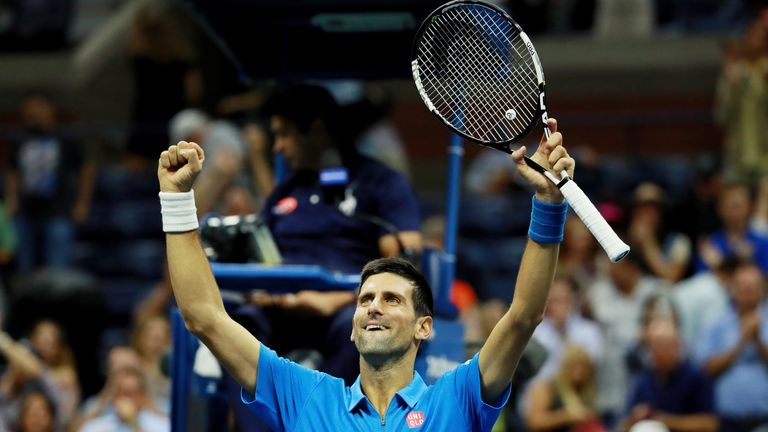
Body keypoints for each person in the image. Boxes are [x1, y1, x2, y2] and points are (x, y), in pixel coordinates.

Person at [156, 115, 573, 430]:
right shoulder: (306, 396)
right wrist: (176, 201)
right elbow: (203, 316)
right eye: (365, 299)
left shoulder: (457, 397)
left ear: (423, 327)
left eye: (391, 299)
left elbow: (523, 316)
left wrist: (549, 202)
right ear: (352, 327)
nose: (373, 307)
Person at [5, 93, 95, 273]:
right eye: (28, 109)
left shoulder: (67, 138)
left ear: (49, 109)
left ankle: (57, 300)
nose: (32, 113)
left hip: (58, 211)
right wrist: (12, 198)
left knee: (58, 267)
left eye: (36, 107)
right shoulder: (19, 138)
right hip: (26, 211)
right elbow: (13, 172)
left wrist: (82, 203)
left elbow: (86, 170)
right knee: (25, 266)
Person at [695, 261, 768, 432]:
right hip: (726, 420)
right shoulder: (716, 322)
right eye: (743, 287)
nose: (748, 293)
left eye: (752, 287)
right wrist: (741, 342)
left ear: (763, 290)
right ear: (732, 289)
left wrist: (757, 341)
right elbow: (707, 369)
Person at [621, 318, 718, 432]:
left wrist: (667, 421)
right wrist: (635, 418)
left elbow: (709, 424)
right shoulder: (645, 379)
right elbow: (623, 425)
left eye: (665, 346)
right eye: (655, 346)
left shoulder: (696, 378)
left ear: (678, 346)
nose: (660, 352)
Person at [525, 345, 605, 432]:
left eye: (584, 368)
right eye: (575, 366)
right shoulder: (547, 387)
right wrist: (566, 417)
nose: (580, 372)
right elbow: (533, 423)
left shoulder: (585, 391)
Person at [77, 367, 169, 432]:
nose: (127, 399)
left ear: (142, 396)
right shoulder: (97, 427)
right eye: (123, 393)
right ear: (114, 397)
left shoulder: (161, 425)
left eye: (132, 394)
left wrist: (134, 424)